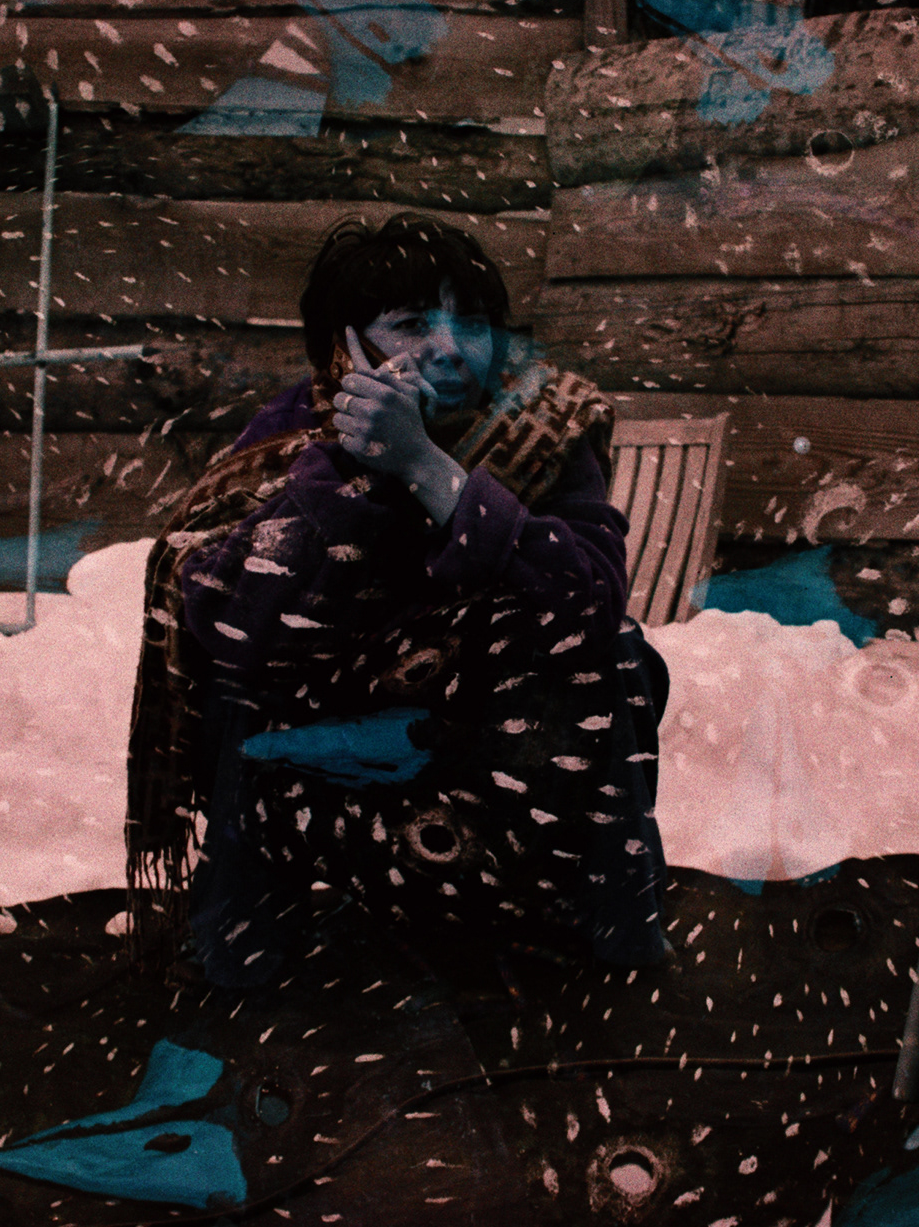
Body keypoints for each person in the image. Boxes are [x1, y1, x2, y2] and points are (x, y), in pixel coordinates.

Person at [126, 213, 668, 987]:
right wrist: (352, 472)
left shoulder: (540, 429)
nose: (450, 346)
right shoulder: (288, 435)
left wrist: (427, 468)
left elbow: (589, 599)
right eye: (412, 324)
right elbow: (232, 629)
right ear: (343, 345)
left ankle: (606, 924)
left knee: (615, 654)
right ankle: (249, 908)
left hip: (475, 739)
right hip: (307, 754)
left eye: (471, 322)